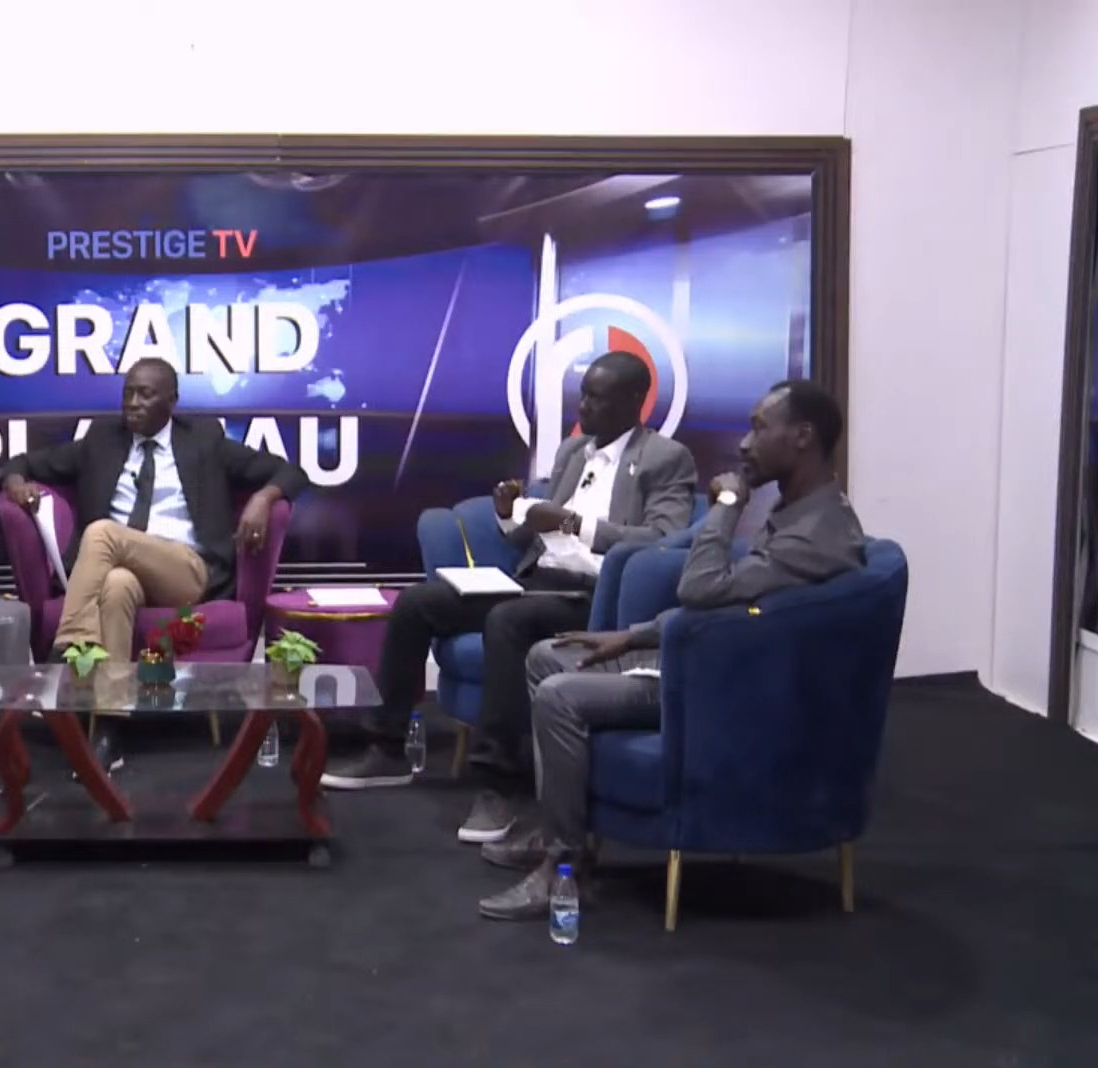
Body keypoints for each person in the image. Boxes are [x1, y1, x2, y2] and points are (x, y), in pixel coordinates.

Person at [477, 379, 865, 921]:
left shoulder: (816, 534)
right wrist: (634, 636)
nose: (745, 444)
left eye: (759, 429)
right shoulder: (801, 512)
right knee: (548, 656)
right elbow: (736, 603)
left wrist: (727, 506)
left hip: (728, 687)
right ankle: (558, 829)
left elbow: (701, 589)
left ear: (802, 437)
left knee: (560, 696)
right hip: (712, 660)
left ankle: (565, 869)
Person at [323, 351, 697, 822]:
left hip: (594, 596)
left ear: (635, 400)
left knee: (507, 621)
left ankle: (501, 784)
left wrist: (572, 522)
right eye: (582, 394)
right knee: (417, 603)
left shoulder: (665, 458)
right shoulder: (572, 452)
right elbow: (535, 535)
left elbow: (663, 537)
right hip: (536, 581)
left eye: (596, 398)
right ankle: (387, 747)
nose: (583, 406)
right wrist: (508, 514)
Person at [0, 357, 309, 772]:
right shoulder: (102, 440)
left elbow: (290, 472)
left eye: (145, 394)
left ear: (171, 401)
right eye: (128, 393)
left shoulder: (204, 441)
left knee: (101, 532)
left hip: (185, 569)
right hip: (120, 569)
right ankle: (109, 727)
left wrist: (262, 499)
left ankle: (64, 650)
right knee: (116, 586)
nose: (133, 403)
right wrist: (16, 483)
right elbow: (21, 464)